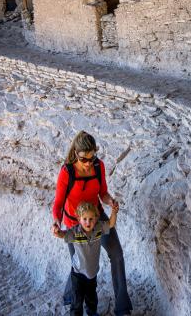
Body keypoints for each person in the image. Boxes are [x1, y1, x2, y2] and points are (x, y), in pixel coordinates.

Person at [51, 131, 132, 316]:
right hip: (74, 223)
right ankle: (71, 299)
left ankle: (123, 306)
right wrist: (56, 222)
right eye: (84, 159)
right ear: (75, 153)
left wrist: (110, 201)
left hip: (97, 216)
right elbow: (58, 203)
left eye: (91, 157)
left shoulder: (98, 166)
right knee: (79, 264)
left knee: (117, 254)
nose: (88, 163)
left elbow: (102, 192)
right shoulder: (67, 171)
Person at [53, 201, 118, 316]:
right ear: (79, 219)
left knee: (91, 298)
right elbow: (62, 234)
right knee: (77, 301)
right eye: (85, 219)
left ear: (96, 218)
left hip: (92, 273)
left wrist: (114, 212)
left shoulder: (98, 228)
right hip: (78, 274)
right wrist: (57, 231)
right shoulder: (75, 232)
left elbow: (111, 224)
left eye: (91, 219)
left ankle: (92, 312)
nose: (88, 222)